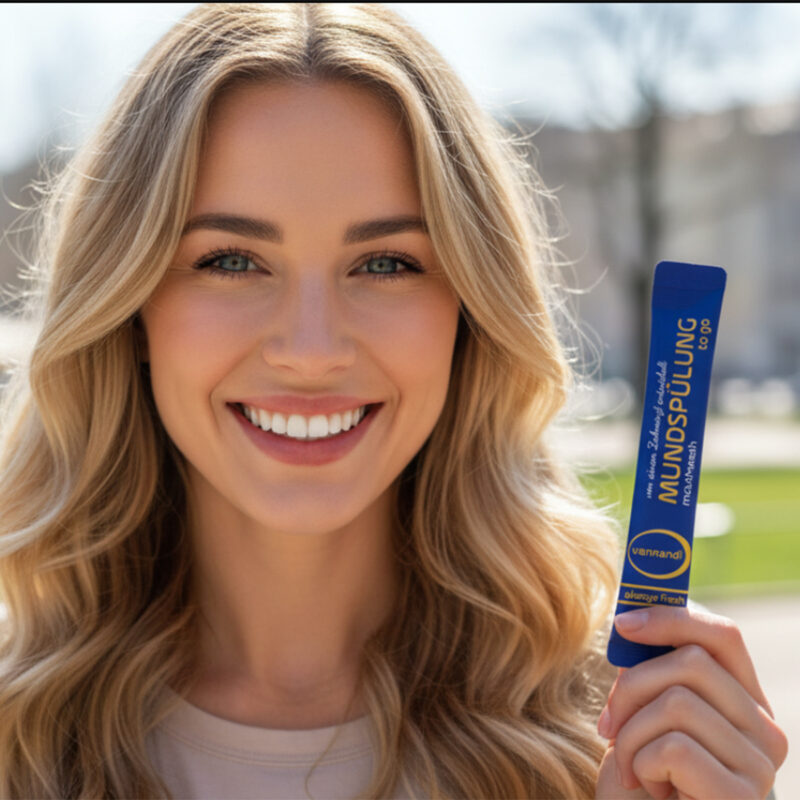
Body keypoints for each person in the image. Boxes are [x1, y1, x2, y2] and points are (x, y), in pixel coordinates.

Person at [0, 4, 786, 799]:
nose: (311, 351)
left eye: (385, 265)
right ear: (130, 306)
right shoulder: (16, 736)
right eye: (232, 260)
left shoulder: (618, 738)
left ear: (469, 312)